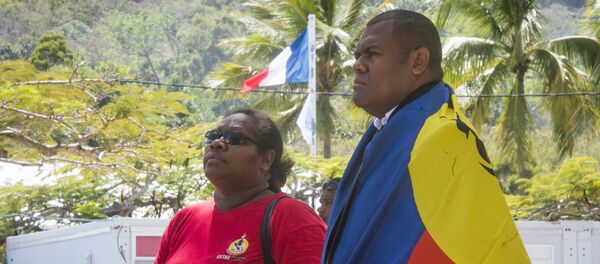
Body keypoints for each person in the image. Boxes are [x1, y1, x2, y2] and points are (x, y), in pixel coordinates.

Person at [322, 10, 530, 263]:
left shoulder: (445, 136)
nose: (357, 65)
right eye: (357, 56)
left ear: (418, 61)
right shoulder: (390, 131)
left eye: (372, 54)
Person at [155, 109, 326, 264]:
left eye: (235, 138)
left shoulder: (291, 218)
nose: (217, 143)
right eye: (213, 136)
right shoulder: (183, 220)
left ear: (266, 159)